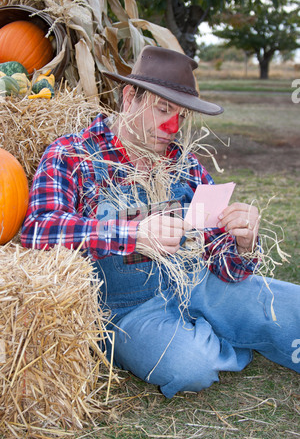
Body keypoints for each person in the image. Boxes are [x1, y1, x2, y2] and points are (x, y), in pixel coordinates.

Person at [21, 46, 300, 399]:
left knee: (292, 306)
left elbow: (225, 265)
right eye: (163, 109)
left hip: (196, 283)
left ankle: (213, 325)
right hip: (128, 311)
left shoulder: (186, 165)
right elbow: (38, 229)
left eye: (181, 116)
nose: (172, 127)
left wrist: (243, 245)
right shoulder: (72, 155)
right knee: (190, 368)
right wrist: (132, 235)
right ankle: (221, 335)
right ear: (129, 97)